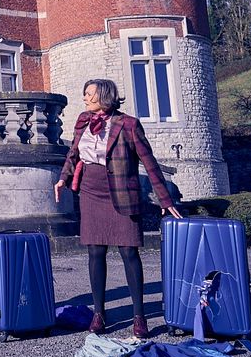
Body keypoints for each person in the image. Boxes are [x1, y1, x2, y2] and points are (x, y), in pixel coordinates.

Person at [54, 78, 182, 338]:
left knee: (129, 253)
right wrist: (63, 178)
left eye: (89, 94)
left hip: (122, 193)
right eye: (85, 94)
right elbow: (74, 154)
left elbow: (149, 161)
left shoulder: (128, 124)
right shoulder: (82, 120)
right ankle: (99, 313)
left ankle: (139, 316)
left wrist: (165, 200)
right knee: (95, 252)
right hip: (90, 191)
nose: (85, 98)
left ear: (104, 95)